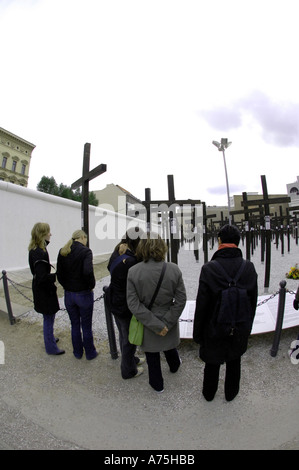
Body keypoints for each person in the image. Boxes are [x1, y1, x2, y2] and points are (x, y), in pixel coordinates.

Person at [193, 224, 258, 402]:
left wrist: (198, 334)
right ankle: (231, 393)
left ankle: (209, 393)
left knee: (212, 362)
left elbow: (202, 305)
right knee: (234, 360)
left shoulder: (209, 268)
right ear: (238, 242)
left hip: (214, 326)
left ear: (219, 241)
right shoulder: (249, 267)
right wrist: (247, 328)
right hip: (239, 324)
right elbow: (253, 302)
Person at [127, 232, 187, 393]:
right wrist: (166, 323)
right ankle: (174, 366)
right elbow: (181, 299)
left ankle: (157, 385)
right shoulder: (174, 269)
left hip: (148, 320)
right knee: (168, 346)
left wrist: (156, 324)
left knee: (152, 355)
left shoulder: (133, 272)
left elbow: (133, 303)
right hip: (169, 318)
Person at [107, 227, 144, 379]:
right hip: (125, 304)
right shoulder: (132, 260)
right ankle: (128, 371)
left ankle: (130, 359)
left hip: (114, 300)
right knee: (129, 338)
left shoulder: (118, 251)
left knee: (123, 334)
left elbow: (109, 267)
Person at [57, 230, 97, 360]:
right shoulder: (86, 252)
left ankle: (77, 352)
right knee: (86, 325)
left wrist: (66, 286)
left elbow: (59, 274)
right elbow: (87, 272)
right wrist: (91, 285)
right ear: (82, 237)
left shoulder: (63, 251)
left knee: (74, 324)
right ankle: (90, 353)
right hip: (83, 293)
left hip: (69, 294)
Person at [28, 222, 65, 355]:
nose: (51, 234)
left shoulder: (36, 249)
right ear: (42, 234)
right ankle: (50, 346)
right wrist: (55, 276)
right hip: (44, 291)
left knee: (48, 317)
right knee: (49, 317)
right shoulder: (39, 252)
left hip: (41, 289)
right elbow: (42, 277)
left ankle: (49, 338)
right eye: (48, 232)